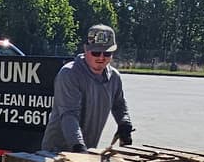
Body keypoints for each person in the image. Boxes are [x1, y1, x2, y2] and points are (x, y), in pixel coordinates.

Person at [40, 24, 134, 153]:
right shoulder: (69, 74)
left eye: (107, 53)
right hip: (57, 152)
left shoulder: (114, 77)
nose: (101, 57)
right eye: (96, 52)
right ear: (85, 49)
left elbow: (119, 104)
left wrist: (125, 124)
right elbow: (69, 115)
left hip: (87, 149)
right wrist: (78, 146)